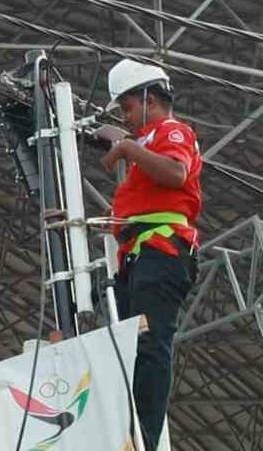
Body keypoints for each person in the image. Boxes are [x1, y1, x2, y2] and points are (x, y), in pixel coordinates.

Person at [94, 59, 202, 450]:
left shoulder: (172, 131)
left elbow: (176, 173)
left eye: (127, 107)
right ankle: (124, 430)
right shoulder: (145, 140)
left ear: (149, 99)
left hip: (161, 253)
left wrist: (126, 147)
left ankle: (145, 440)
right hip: (138, 257)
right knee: (123, 344)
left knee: (150, 346)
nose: (127, 117)